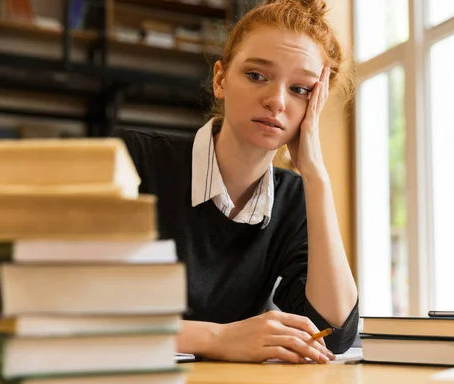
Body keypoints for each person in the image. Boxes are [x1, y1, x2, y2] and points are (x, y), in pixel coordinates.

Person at [116, 0, 359, 364]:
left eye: (301, 89)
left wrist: (316, 175)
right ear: (220, 80)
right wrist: (216, 337)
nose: (276, 100)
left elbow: (333, 333)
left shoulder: (295, 198)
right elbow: (59, 309)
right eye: (257, 75)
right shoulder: (129, 161)